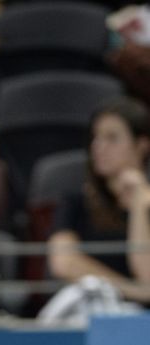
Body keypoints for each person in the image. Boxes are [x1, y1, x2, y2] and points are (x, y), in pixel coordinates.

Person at [47, 96, 150, 306]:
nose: (98, 146)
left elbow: (147, 276)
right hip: (93, 310)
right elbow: (63, 263)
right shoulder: (75, 201)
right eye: (96, 137)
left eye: (112, 138)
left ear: (141, 145)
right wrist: (132, 291)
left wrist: (139, 202)